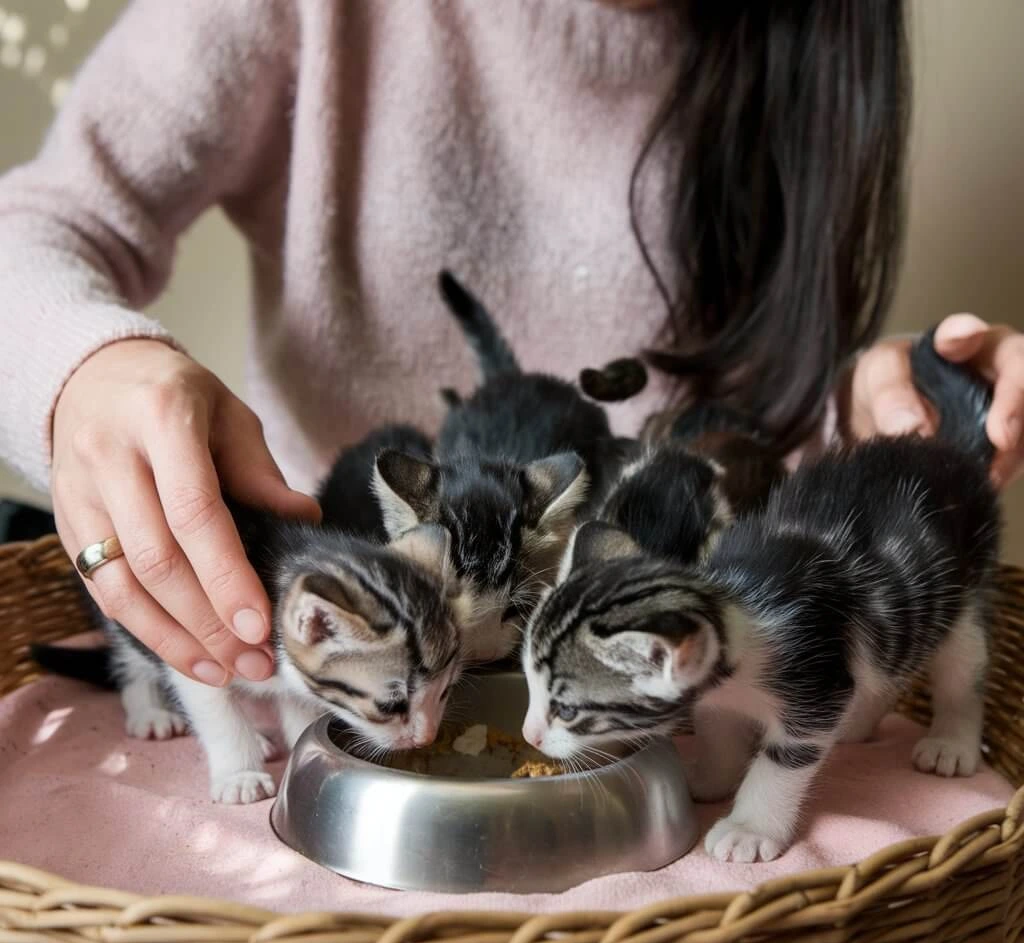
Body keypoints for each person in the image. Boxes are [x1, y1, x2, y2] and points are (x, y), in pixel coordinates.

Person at [0, 0, 1020, 692]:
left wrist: (861, 406)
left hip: (652, 691)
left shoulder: (805, 47)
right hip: (341, 673)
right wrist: (86, 367)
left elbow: (729, 439)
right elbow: (39, 232)